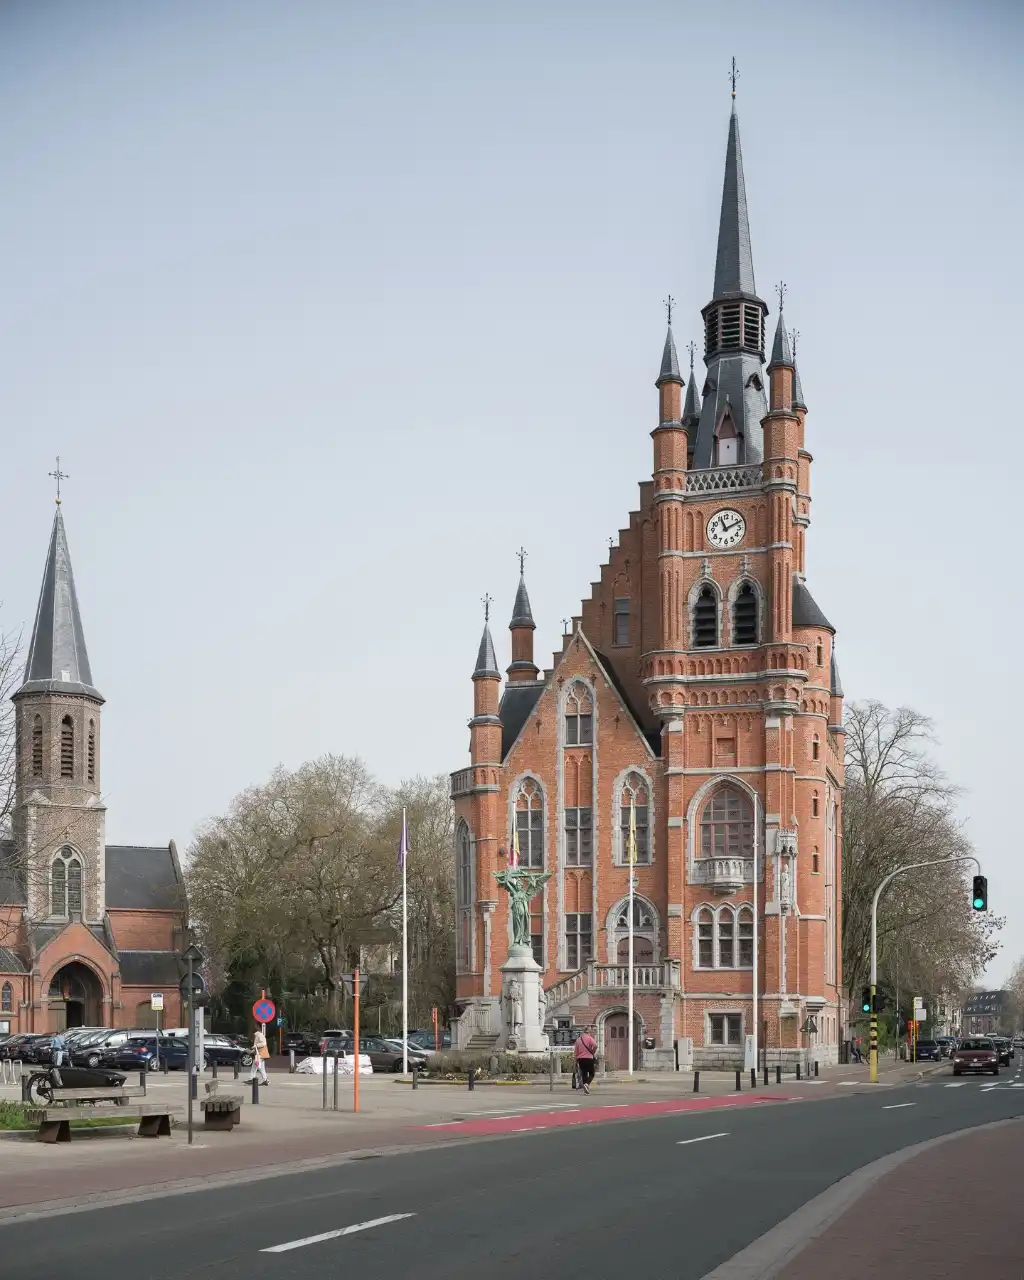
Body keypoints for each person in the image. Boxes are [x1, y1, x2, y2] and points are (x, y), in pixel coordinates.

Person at [573, 1026, 598, 1094]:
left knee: (584, 1073)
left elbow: (575, 1051)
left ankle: (585, 1089)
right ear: (588, 1032)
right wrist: (593, 1051)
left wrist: (575, 1060)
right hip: (589, 1058)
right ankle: (586, 1084)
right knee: (592, 1073)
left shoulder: (578, 1039)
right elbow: (595, 1045)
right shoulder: (590, 1038)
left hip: (581, 1059)